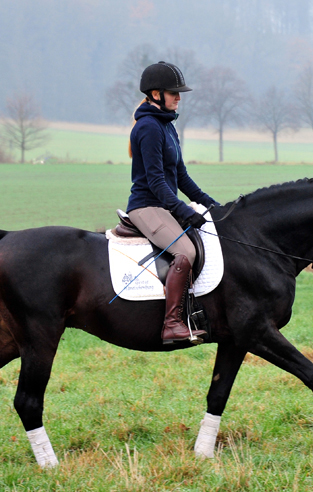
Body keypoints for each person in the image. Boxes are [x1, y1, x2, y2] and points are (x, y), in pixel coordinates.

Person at [126, 61, 219, 344]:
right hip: (146, 206)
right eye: (173, 92)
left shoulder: (167, 127)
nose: (179, 97)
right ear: (156, 94)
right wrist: (182, 210)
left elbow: (181, 178)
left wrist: (214, 206)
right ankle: (172, 324)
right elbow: (156, 182)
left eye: (179, 93)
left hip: (163, 205)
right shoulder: (149, 128)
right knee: (186, 252)